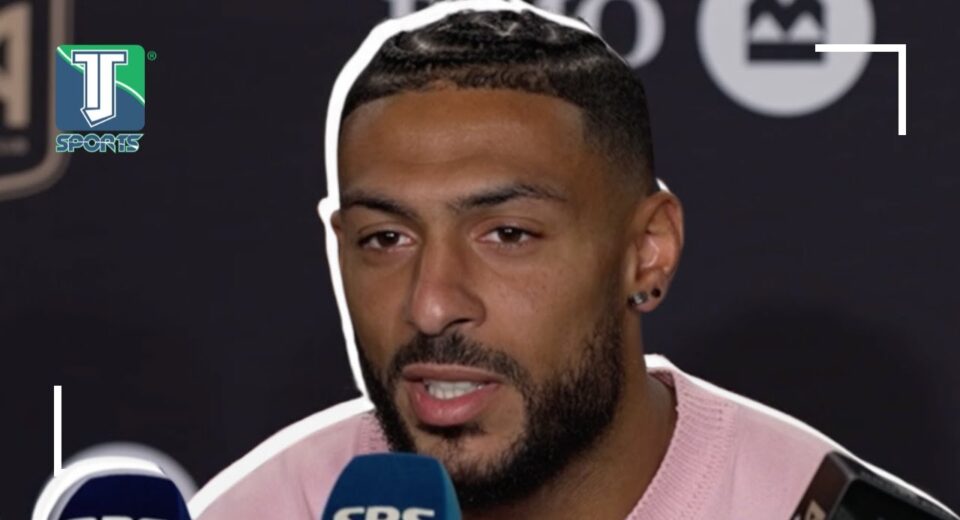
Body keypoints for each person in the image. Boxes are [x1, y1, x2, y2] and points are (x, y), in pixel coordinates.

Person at [189, 2, 954, 519]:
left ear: (646, 252)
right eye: (386, 239)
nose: (431, 305)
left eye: (507, 235)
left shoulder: (800, 505)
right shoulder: (265, 509)